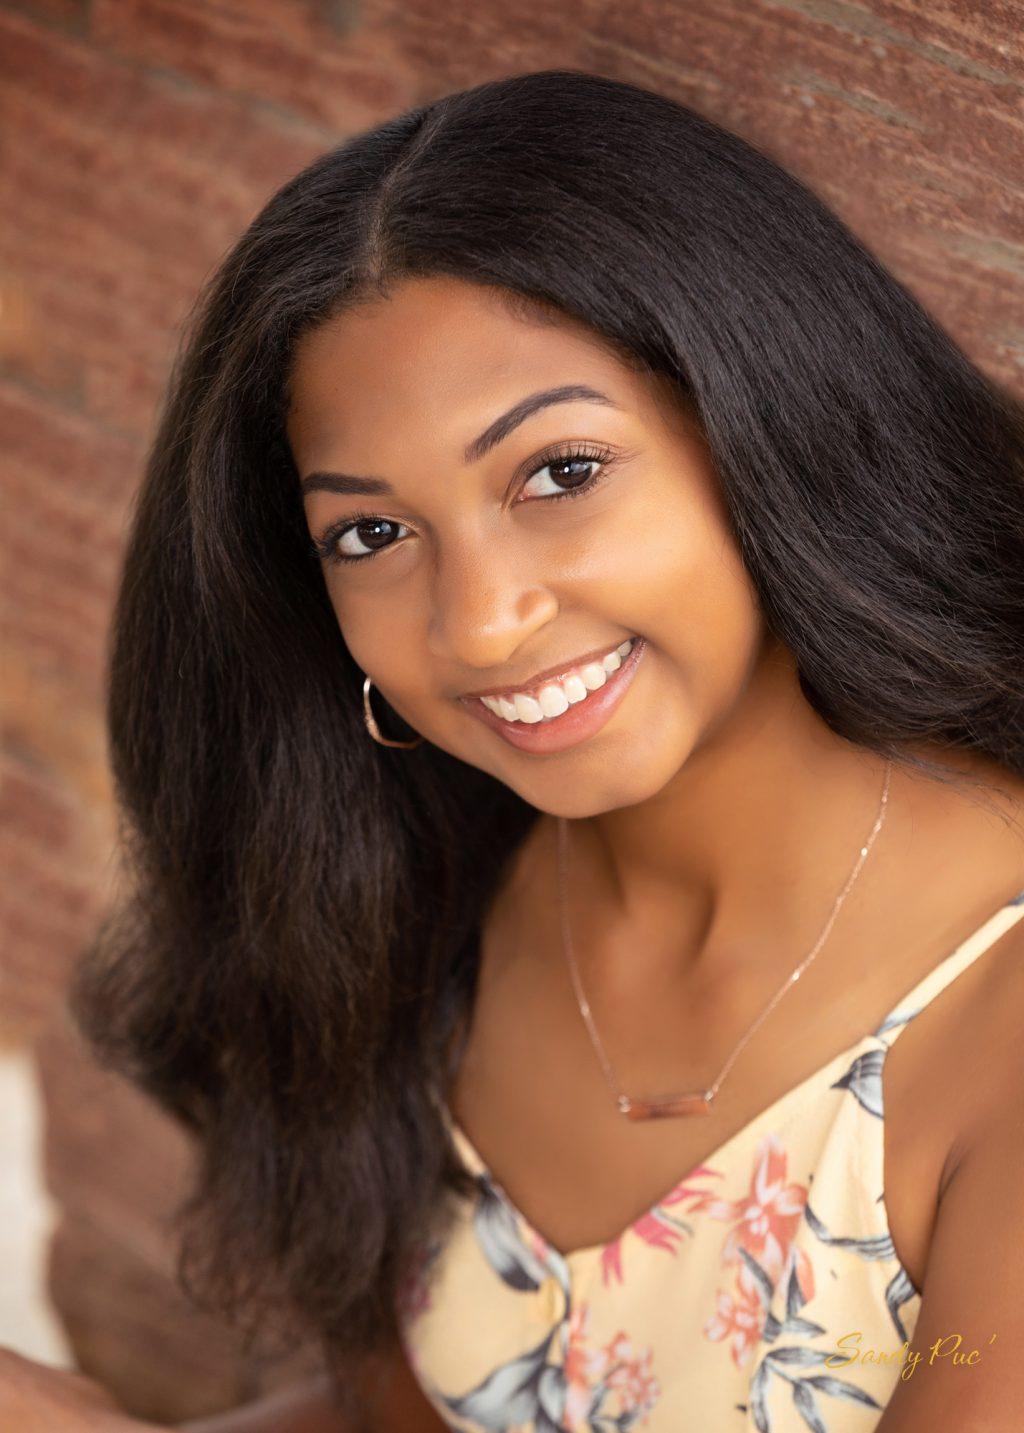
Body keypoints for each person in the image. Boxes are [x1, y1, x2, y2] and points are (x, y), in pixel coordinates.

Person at [5, 68, 1024, 1432]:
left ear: (768, 422)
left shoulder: (995, 1027)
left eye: (559, 472)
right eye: (371, 534)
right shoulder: (412, 910)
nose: (481, 624)